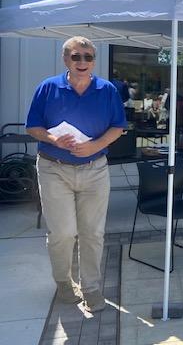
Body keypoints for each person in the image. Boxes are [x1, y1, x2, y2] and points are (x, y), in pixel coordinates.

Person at [26, 36, 127, 313]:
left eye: (88, 57)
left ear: (94, 61)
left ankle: (91, 287)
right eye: (76, 56)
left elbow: (118, 126)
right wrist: (53, 139)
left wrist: (95, 145)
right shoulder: (48, 87)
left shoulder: (107, 90)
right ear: (65, 59)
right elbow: (32, 126)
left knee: (93, 232)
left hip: (95, 169)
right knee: (63, 233)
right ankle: (63, 282)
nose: (82, 62)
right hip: (54, 168)